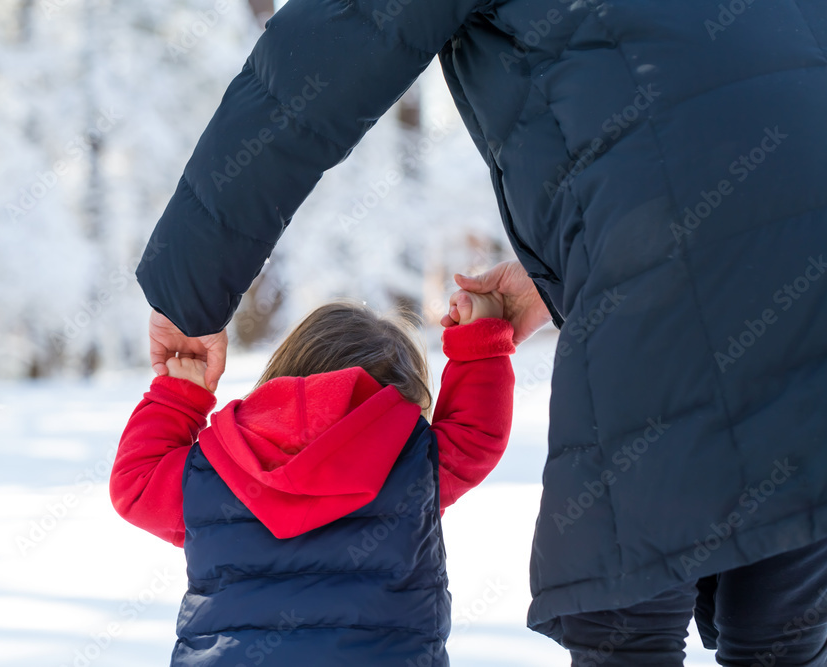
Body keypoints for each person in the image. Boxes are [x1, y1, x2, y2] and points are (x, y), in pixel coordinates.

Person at [135, 0, 827, 663]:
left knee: (628, 606)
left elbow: (302, 82)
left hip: (658, 253)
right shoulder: (405, 467)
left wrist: (188, 301)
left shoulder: (210, 479)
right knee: (788, 586)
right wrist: (518, 309)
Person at [110, 294, 518, 665]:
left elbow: (135, 484)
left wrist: (179, 394)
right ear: (404, 401)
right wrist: (478, 342)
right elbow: (477, 432)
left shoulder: (212, 469)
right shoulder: (413, 464)